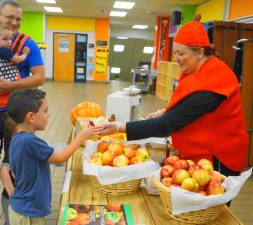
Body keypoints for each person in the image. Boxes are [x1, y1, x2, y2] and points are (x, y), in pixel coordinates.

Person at [99, 21, 249, 177]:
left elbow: (167, 125)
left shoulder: (214, 83)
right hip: (202, 149)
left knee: (212, 199)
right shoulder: (197, 69)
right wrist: (164, 110)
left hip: (219, 157)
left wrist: (118, 127)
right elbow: (187, 102)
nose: (176, 59)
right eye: (175, 52)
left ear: (199, 52)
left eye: (181, 53)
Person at [6, 89, 103, 225]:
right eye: (45, 111)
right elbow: (60, 157)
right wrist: (81, 136)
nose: (49, 115)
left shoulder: (17, 137)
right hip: (29, 216)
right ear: (31, 117)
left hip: (22, 208)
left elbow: (22, 164)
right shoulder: (30, 141)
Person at [0, 1, 45, 224]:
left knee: (14, 164)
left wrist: (9, 87)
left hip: (14, 115)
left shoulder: (27, 43)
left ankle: (11, 215)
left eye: (18, 19)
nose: (15, 23)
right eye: (10, 17)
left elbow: (39, 77)